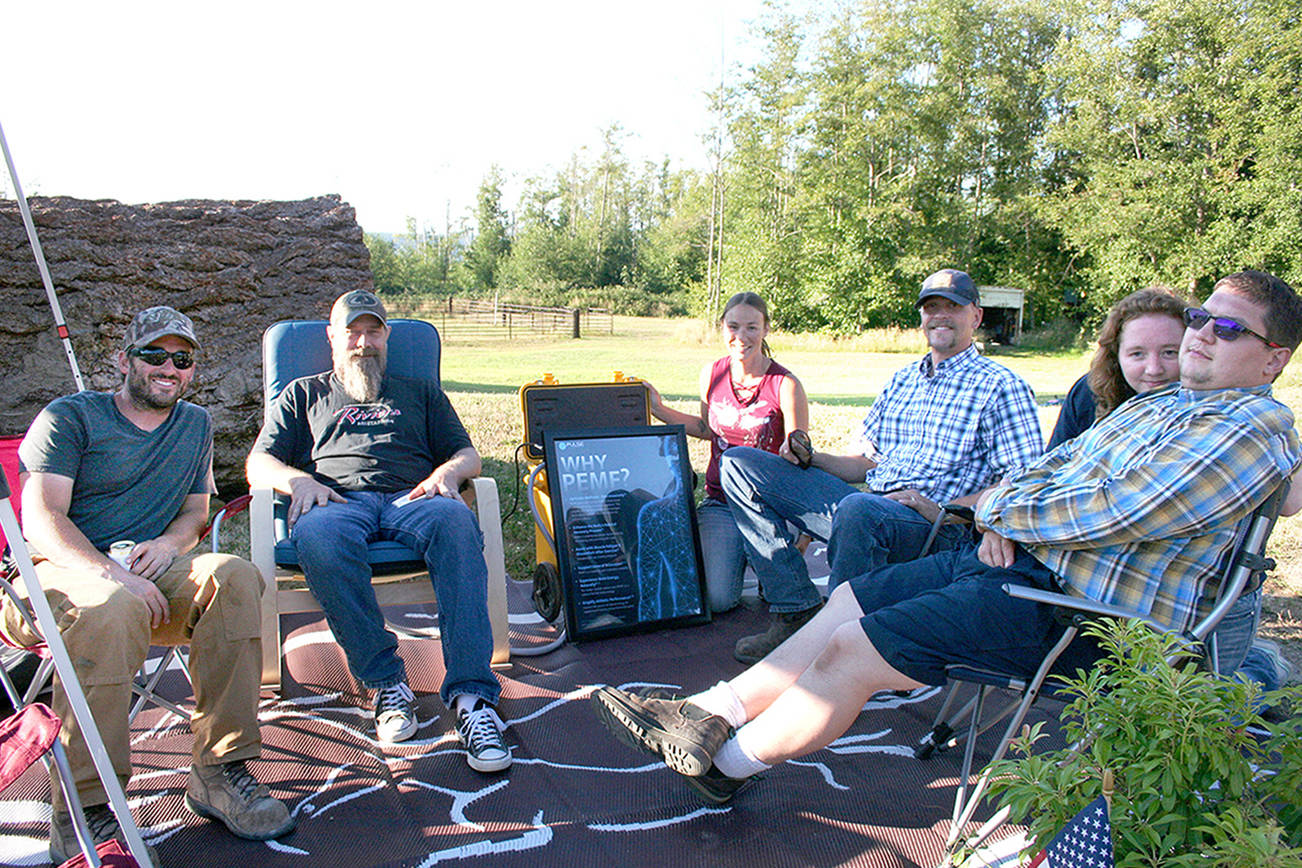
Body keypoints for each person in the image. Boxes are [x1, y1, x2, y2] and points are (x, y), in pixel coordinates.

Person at [591, 270, 1302, 804]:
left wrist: (997, 512)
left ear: (1274, 359)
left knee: (852, 648)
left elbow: (1115, 510)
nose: (1203, 333)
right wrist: (1004, 512)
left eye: (1228, 329)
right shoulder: (1157, 411)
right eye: (1203, 317)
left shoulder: (1250, 430)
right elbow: (1054, 471)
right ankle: (707, 713)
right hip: (1026, 570)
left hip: (1093, 619)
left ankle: (726, 767)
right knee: (850, 603)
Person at [4, 307, 294, 864]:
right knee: (111, 608)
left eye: (181, 359)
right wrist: (109, 573)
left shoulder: (195, 424)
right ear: (123, 360)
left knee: (235, 575)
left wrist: (168, 546)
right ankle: (86, 805)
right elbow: (42, 520)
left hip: (148, 572)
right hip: (51, 578)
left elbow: (195, 512)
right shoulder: (69, 418)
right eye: (153, 355)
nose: (169, 367)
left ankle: (221, 770)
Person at [245, 290, 510, 771]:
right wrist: (299, 481)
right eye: (352, 331)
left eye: (373, 331)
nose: (363, 342)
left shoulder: (421, 393)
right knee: (320, 538)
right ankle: (387, 682)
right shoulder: (304, 393)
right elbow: (258, 462)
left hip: (414, 498)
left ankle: (473, 700)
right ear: (333, 338)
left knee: (455, 522)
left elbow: (467, 455)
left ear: (386, 336)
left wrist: (447, 475)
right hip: (337, 500)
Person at [722, 269, 1042, 663]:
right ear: (922, 318)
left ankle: (838, 652)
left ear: (975, 316)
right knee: (738, 463)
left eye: (952, 307)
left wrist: (942, 509)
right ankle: (796, 611)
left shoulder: (1001, 385)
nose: (940, 316)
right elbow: (865, 462)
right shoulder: (904, 379)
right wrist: (810, 456)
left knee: (860, 508)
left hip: (936, 528)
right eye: (931, 307)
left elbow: (1023, 482)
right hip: (872, 509)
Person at [641, 291, 809, 613]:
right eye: (733, 327)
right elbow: (707, 429)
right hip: (721, 503)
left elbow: (800, 457)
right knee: (716, 600)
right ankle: (746, 554)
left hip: (769, 506)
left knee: (778, 597)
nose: (741, 336)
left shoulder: (785, 384)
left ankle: (768, 557)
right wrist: (658, 409)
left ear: (766, 329)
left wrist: (803, 535)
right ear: (722, 328)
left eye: (751, 327)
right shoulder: (712, 373)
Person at [1047, 286, 1188, 448]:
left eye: (1169, 353)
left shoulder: (1208, 411)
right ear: (1116, 354)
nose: (1154, 369)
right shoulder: (1088, 394)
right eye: (1137, 354)